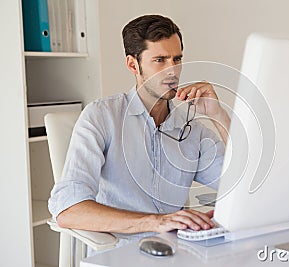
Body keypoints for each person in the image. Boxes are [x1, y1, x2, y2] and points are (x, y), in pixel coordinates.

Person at [48, 14, 230, 238]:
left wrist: (217, 114)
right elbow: (68, 210)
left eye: (177, 59)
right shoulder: (102, 116)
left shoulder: (191, 127)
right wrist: (156, 222)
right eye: (160, 60)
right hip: (120, 251)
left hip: (178, 251)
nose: (172, 71)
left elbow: (241, 183)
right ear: (133, 64)